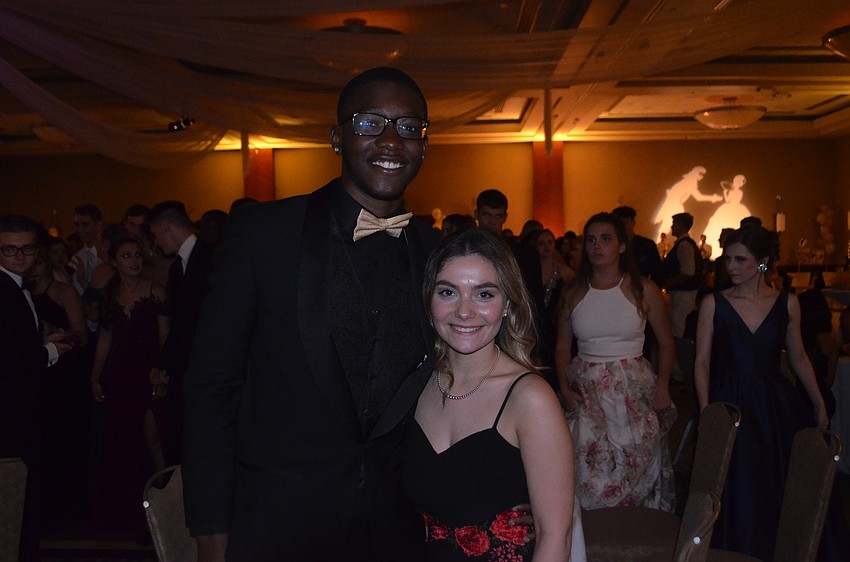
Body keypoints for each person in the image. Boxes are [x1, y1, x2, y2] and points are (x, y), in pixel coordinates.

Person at [182, 67, 445, 561]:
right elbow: (211, 389)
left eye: (410, 127)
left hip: (397, 529)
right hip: (276, 523)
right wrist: (211, 528)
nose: (391, 140)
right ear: (337, 138)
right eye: (370, 123)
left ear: (425, 145)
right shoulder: (263, 235)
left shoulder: (439, 256)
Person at [403, 229, 584, 561]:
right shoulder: (413, 386)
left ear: (507, 304)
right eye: (448, 292)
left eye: (484, 294)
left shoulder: (530, 398)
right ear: (429, 300)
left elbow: (555, 538)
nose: (464, 311)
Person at [694, 225, 849, 561]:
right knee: (736, 484)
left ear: (762, 262)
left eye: (740, 260)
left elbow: (799, 358)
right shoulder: (714, 303)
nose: (731, 267)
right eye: (728, 259)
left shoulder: (788, 303)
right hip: (730, 401)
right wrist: (708, 413)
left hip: (774, 406)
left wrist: (818, 401)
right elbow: (702, 362)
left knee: (780, 485)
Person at [555, 212, 676, 513]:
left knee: (638, 467)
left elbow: (666, 341)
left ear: (622, 246)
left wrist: (663, 385)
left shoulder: (643, 289)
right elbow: (561, 346)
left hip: (633, 391)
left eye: (606, 239)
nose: (597, 246)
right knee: (589, 473)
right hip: (588, 393)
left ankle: (637, 543)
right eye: (592, 240)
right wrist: (563, 388)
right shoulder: (573, 292)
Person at [89, 236, 169, 534]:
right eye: (126, 256)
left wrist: (162, 371)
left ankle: (163, 507)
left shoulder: (155, 290)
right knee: (121, 442)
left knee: (152, 441)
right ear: (114, 260)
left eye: (137, 255)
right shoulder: (110, 294)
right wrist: (95, 376)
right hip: (120, 376)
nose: (134, 260)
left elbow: (165, 336)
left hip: (147, 373)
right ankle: (122, 515)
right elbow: (105, 338)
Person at [147, 200, 214, 465]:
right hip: (185, 367)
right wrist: (164, 362)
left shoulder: (211, 257)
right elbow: (180, 323)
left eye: (155, 234)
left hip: (205, 367)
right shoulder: (177, 267)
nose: (155, 242)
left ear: (166, 227)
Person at [652, 166, 721, 241]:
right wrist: (714, 198)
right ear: (696, 173)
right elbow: (698, 197)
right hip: (674, 206)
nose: (702, 177)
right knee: (679, 229)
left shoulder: (686, 181)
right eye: (701, 174)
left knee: (667, 228)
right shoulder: (690, 182)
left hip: (673, 205)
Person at [661, 212, 702, 338]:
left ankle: (680, 354)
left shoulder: (684, 245)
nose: (672, 227)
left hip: (684, 292)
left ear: (680, 226)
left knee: (679, 325)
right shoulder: (685, 244)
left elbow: (688, 271)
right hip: (684, 291)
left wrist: (669, 282)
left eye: (674, 224)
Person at [612, 206, 662, 286]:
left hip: (640, 287)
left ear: (633, 222)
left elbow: (657, 273)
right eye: (620, 223)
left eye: (625, 222)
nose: (623, 226)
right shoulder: (612, 245)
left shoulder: (647, 245)